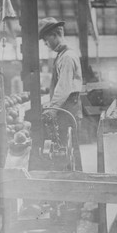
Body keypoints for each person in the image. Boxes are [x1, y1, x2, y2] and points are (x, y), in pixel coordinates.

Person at [38, 17, 83, 171]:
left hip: (68, 108)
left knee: (67, 150)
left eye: (46, 39)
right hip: (66, 107)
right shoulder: (62, 55)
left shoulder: (67, 57)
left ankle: (71, 182)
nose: (45, 44)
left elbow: (63, 88)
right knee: (67, 150)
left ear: (55, 34)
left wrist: (51, 109)